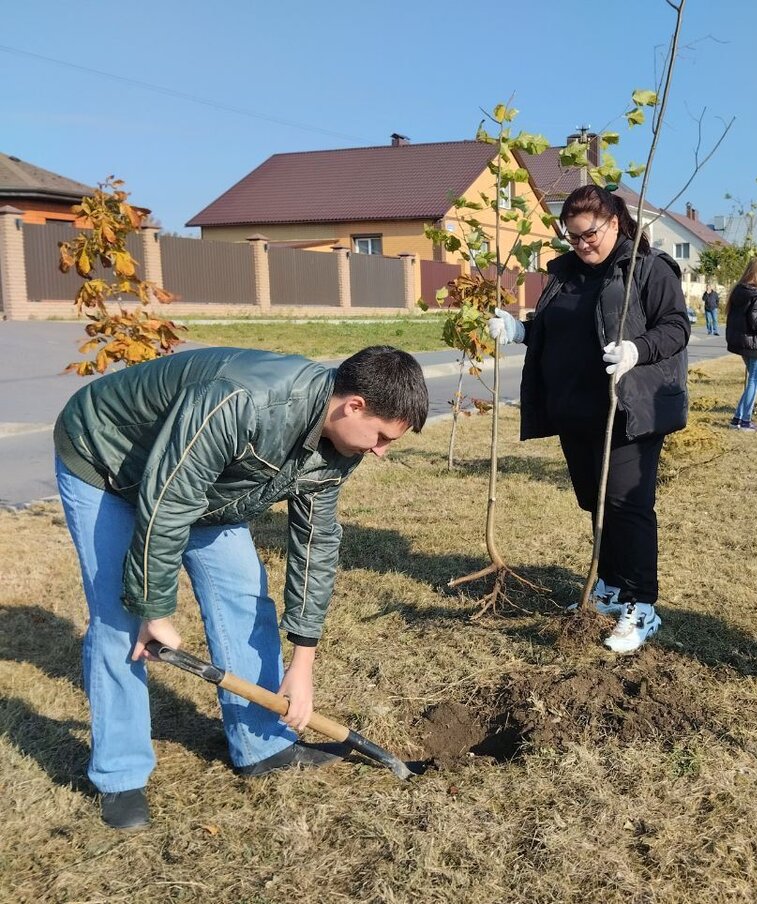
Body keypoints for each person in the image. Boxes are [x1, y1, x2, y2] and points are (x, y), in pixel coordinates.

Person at [54, 345, 429, 830]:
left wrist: (303, 662)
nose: (381, 451)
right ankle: (120, 776)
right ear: (353, 405)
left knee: (246, 600)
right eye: (381, 437)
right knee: (120, 620)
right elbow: (169, 498)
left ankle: (261, 747)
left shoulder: (341, 444)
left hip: (210, 490)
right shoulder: (242, 400)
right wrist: (155, 609)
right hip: (107, 461)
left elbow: (315, 546)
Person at [488, 184, 689, 655]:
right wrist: (521, 331)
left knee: (627, 505)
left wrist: (638, 350)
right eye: (573, 237)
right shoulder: (565, 274)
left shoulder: (648, 267)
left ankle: (643, 604)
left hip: (629, 407)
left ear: (615, 222)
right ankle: (613, 585)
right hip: (574, 407)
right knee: (594, 503)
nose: (581, 245)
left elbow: (677, 326)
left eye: (589, 234)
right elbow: (558, 327)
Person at [725, 257, 757, 431]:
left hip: (743, 343)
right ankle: (745, 421)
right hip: (755, 344)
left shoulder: (738, 291)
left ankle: (737, 419)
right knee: (755, 381)